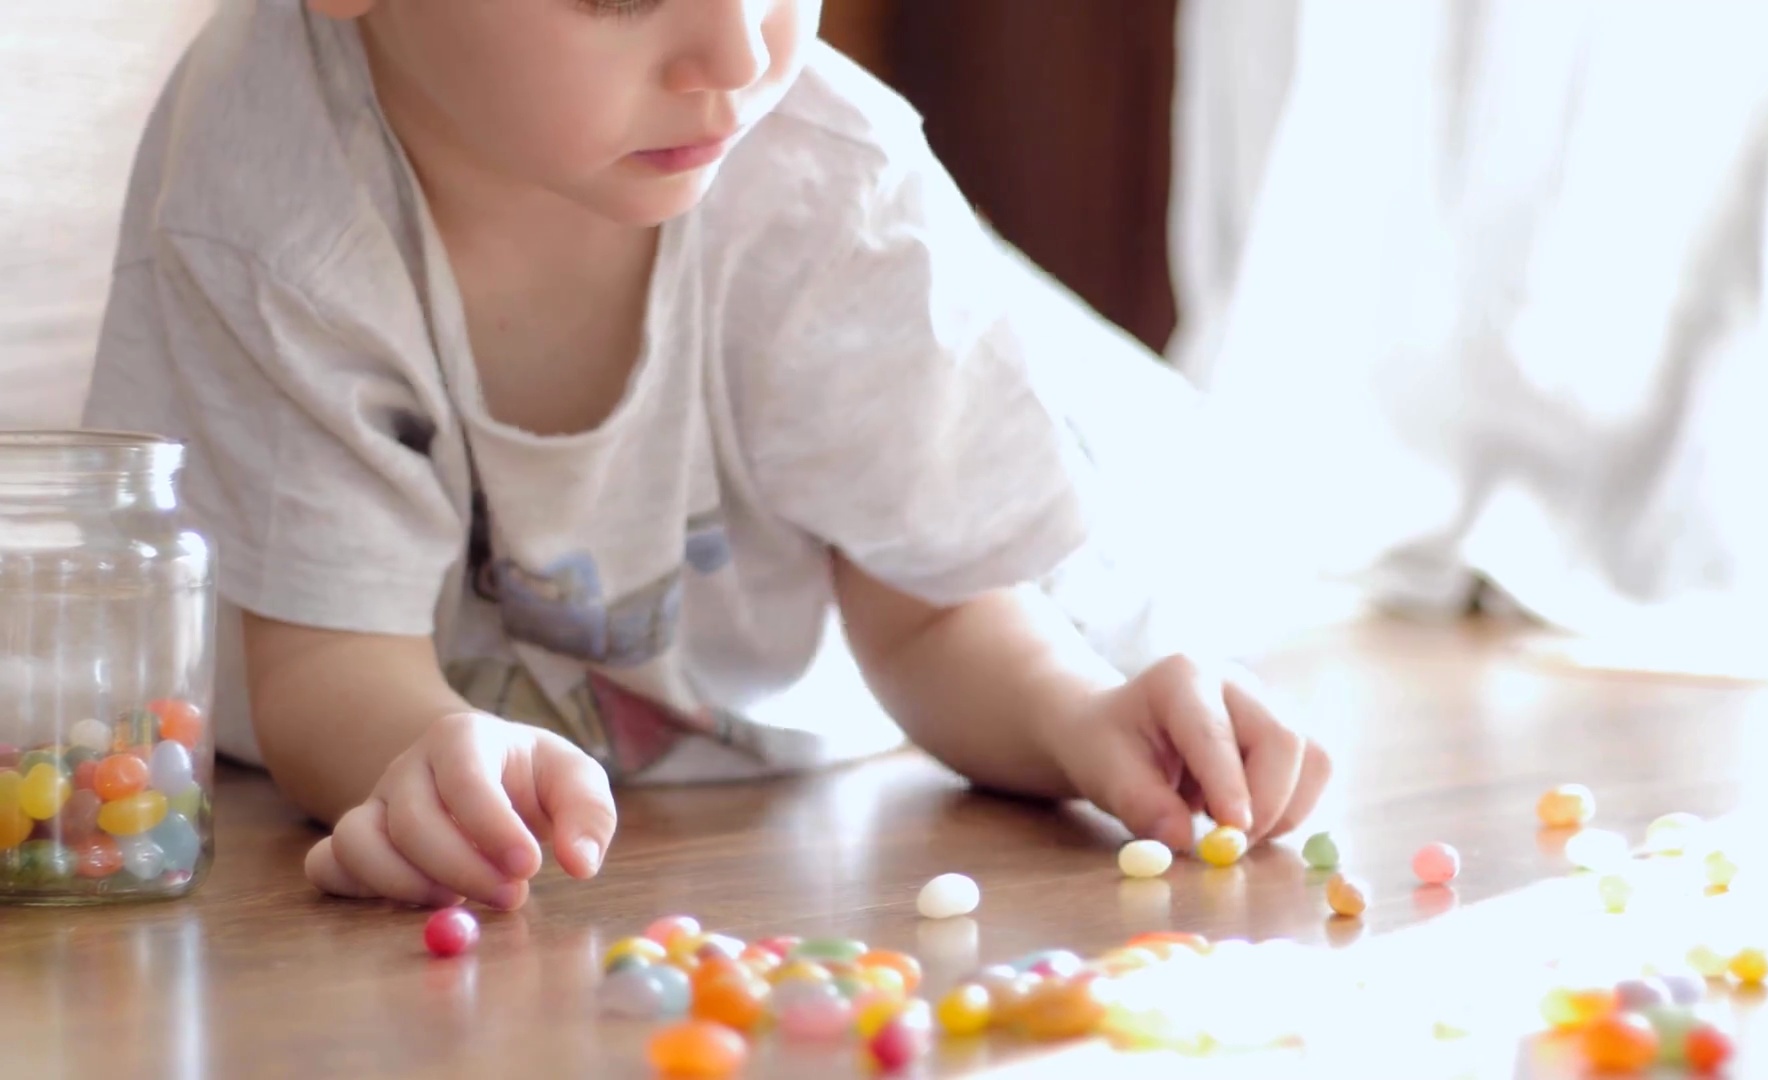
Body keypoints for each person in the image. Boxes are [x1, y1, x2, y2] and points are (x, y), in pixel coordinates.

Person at [84, 0, 1330, 911]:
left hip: (808, 670)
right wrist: (419, 754)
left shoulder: (824, 174)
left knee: (1204, 528)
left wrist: (1079, 716)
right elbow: (320, 664)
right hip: (474, 709)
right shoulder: (272, 181)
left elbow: (937, 612)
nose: (741, 55)